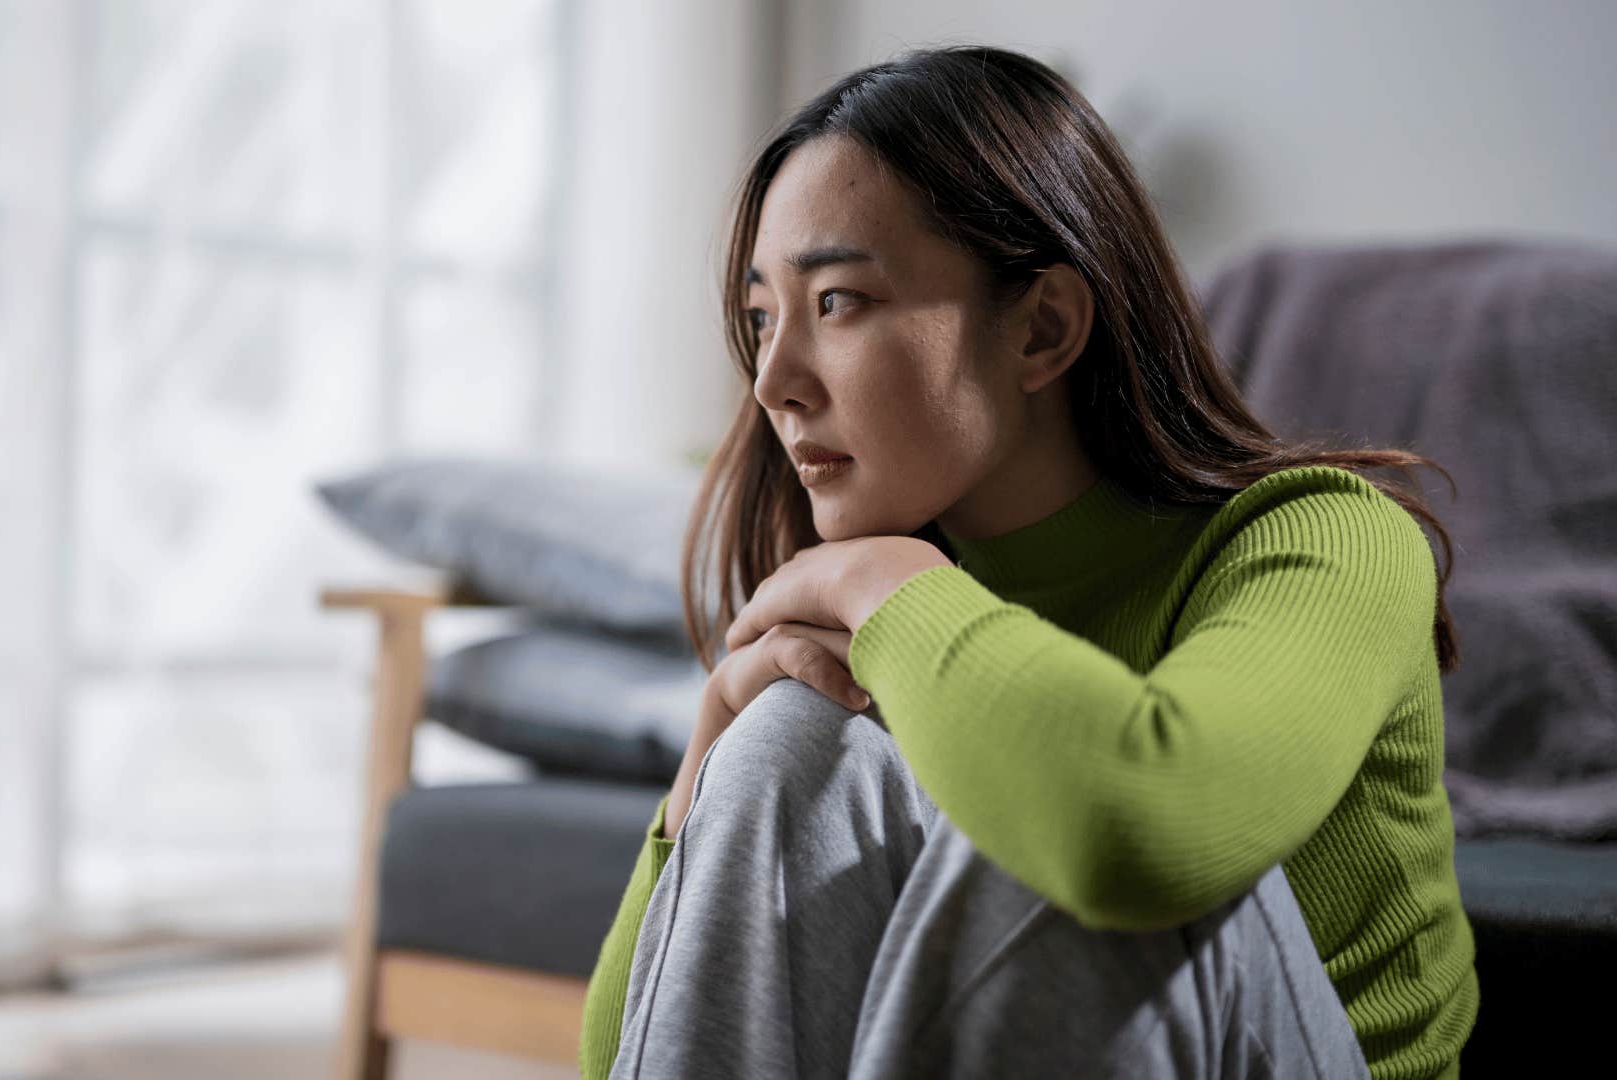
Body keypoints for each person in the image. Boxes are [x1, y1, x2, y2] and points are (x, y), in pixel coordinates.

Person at [577, 45, 1478, 1080]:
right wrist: (706, 766)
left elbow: (1134, 831)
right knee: (789, 737)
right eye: (759, 317)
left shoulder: (1330, 539)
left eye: (837, 302)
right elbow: (623, 1057)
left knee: (1044, 818)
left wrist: (885, 587)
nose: (774, 380)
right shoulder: (885, 636)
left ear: (1042, 328)